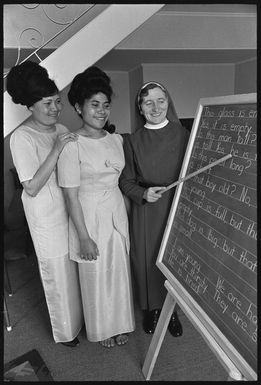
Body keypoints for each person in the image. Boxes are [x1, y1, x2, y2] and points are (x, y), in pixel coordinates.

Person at [57, 66, 135, 348]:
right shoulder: (70, 144)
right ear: (78, 107)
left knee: (118, 270)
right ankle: (102, 328)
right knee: (96, 273)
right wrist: (83, 236)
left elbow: (120, 181)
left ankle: (120, 323)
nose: (101, 111)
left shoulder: (116, 139)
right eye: (94, 105)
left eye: (105, 106)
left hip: (115, 209)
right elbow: (70, 196)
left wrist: (126, 215)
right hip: (87, 214)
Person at [7, 61, 83, 347]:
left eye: (58, 101)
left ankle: (82, 318)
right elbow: (33, 186)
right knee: (58, 274)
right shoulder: (21, 137)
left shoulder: (60, 127)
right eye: (47, 103)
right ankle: (66, 332)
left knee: (74, 266)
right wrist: (58, 147)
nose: (55, 109)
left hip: (68, 206)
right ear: (30, 106)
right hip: (45, 215)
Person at [119, 81, 190, 336]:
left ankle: (172, 312)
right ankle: (152, 310)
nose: (155, 106)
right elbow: (126, 181)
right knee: (147, 261)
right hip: (147, 210)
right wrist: (143, 193)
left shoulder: (184, 135)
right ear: (140, 108)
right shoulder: (132, 140)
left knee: (173, 261)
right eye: (148, 102)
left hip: (177, 208)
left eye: (161, 100)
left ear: (168, 102)